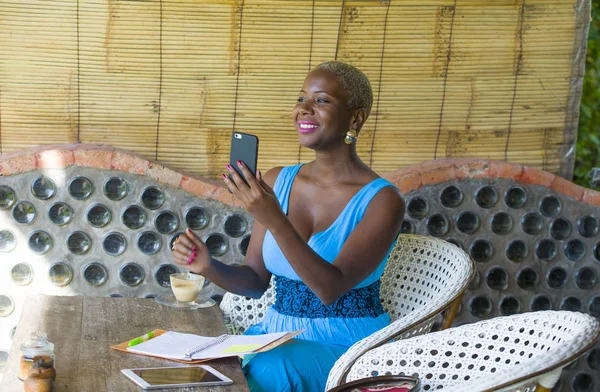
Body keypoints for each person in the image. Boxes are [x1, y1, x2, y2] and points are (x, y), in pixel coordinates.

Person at [171, 61, 405, 392]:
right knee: (201, 368)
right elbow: (254, 282)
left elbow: (329, 289)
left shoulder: (383, 200)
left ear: (356, 117)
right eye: (301, 99)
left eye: (321, 100)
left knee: (265, 372)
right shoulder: (277, 181)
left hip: (348, 348)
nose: (303, 110)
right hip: (274, 336)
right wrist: (206, 265)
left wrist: (275, 219)